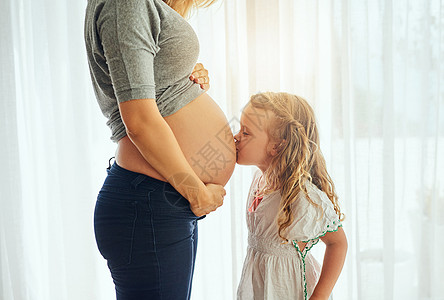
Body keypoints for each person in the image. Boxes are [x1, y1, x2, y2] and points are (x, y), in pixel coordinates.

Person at [84, 0, 236, 299]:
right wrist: (197, 192)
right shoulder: (124, 4)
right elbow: (139, 121)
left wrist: (185, 77)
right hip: (150, 202)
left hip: (160, 199)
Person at [234, 92, 348, 300]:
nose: (236, 137)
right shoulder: (258, 181)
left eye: (246, 132)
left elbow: (338, 243)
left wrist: (319, 296)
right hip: (259, 286)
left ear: (277, 146)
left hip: (288, 289)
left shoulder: (301, 196)